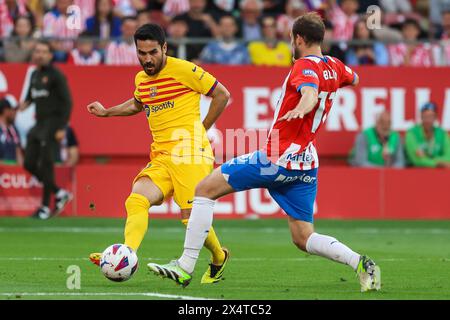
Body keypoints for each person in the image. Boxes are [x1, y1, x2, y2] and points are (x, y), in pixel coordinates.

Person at [147, 12, 381, 293]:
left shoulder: (303, 66)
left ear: (299, 39)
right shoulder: (335, 65)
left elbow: (308, 91)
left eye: (292, 39)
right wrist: (326, 87)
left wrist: (304, 105)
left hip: (276, 159)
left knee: (204, 189)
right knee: (302, 236)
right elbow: (354, 79)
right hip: (305, 164)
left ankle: (184, 267)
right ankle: (361, 264)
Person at [86, 23, 232, 284]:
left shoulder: (184, 70)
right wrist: (107, 111)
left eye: (152, 52)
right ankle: (125, 254)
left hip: (191, 154)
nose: (147, 59)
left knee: (190, 220)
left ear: (164, 47)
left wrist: (201, 129)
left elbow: (222, 94)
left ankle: (219, 257)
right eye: (141, 53)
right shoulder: (142, 79)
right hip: (163, 156)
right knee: (137, 200)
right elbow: (137, 103)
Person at [19, 40, 73, 220]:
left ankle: (44, 207)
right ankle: (59, 192)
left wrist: (62, 127)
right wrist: (22, 105)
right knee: (28, 163)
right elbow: (30, 98)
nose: (40, 55)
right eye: (37, 51)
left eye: (43, 52)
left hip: (53, 122)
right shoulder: (34, 74)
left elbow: (67, 102)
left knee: (47, 164)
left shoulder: (56, 75)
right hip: (39, 123)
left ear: (50, 55)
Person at [405, 102, 450, 168]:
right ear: (421, 117)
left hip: (438, 174)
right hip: (416, 173)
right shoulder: (412, 134)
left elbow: (448, 157)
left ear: (435, 117)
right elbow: (417, 161)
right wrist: (437, 164)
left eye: (431, 116)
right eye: (425, 116)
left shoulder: (442, 134)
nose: (428, 120)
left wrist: (429, 159)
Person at [0, 95, 23, 165]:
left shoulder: (14, 130)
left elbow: (18, 153)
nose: (15, 113)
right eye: (13, 110)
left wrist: (21, 171)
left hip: (13, 173)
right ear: (5, 110)